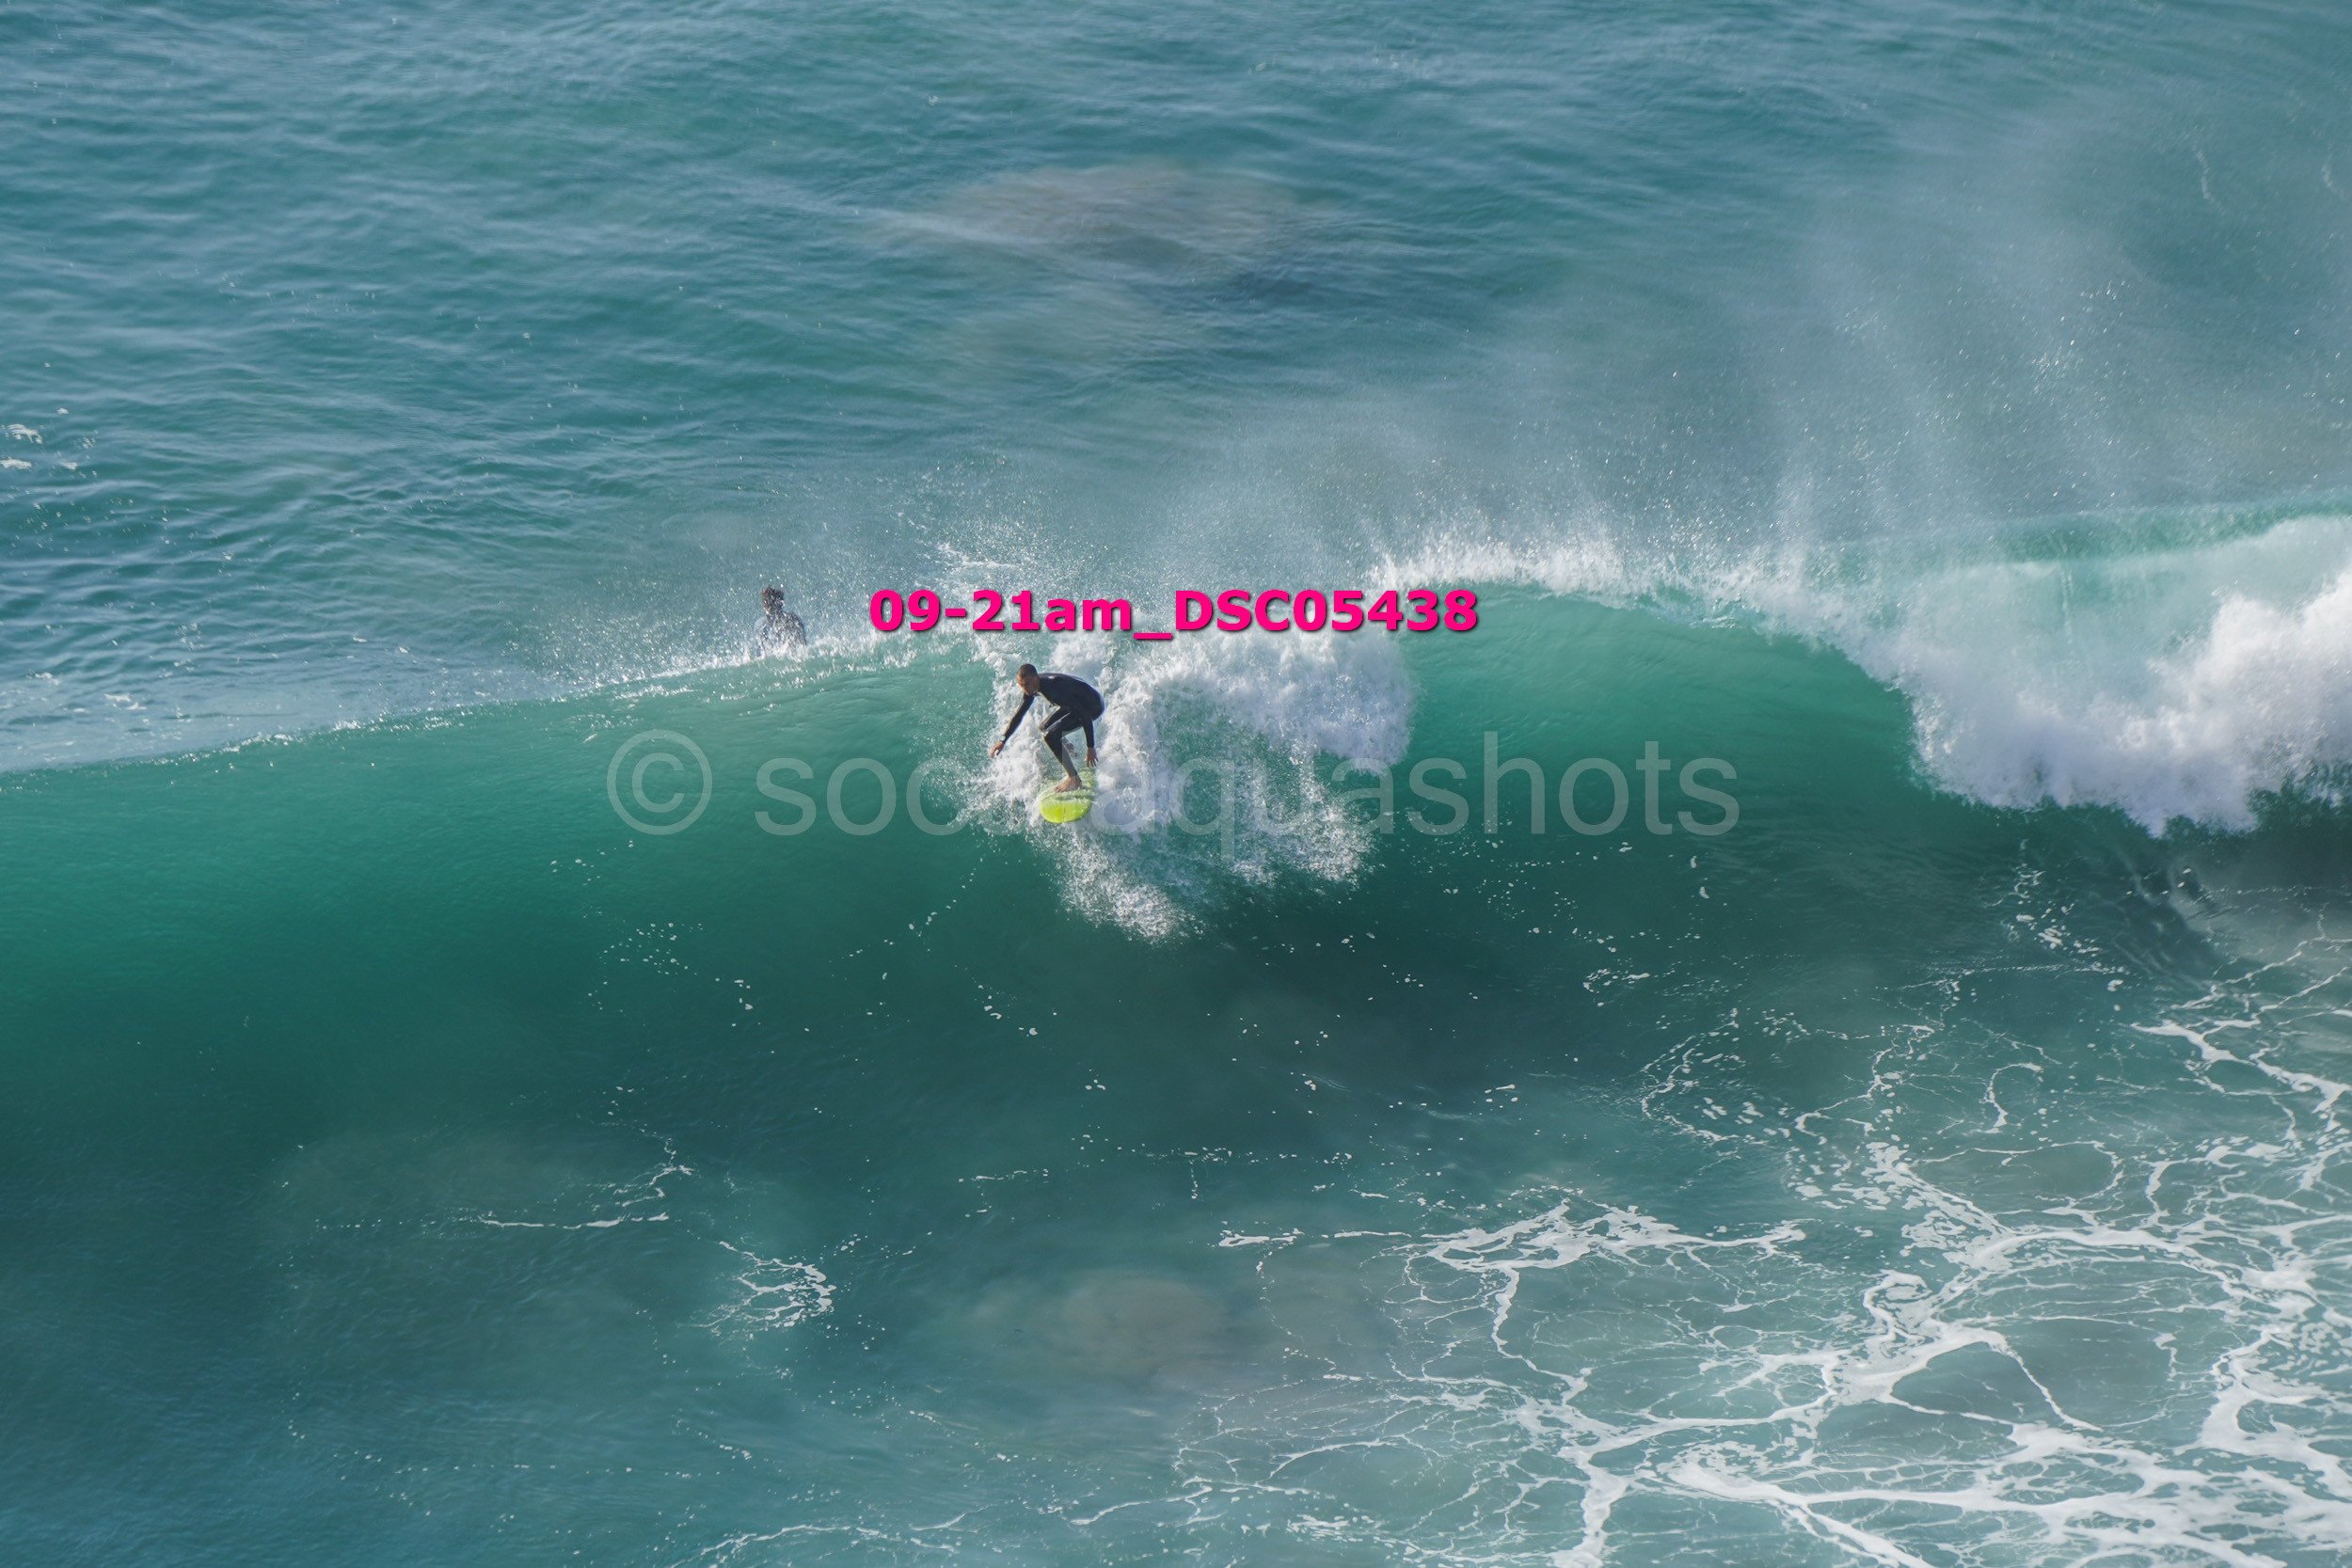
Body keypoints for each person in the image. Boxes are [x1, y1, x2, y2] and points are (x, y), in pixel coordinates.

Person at [991, 664, 1104, 793]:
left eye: (1026, 684)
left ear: (1035, 678)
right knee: (1044, 727)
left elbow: (1085, 716)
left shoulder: (1055, 689)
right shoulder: (1031, 687)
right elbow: (1018, 715)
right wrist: (1002, 740)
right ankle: (1069, 750)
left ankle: (1074, 779)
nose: (1024, 689)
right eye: (1021, 685)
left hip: (1092, 707)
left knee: (1050, 736)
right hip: (1076, 703)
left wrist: (1091, 747)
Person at [754, 585, 805, 653]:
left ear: (765, 605)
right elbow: (803, 646)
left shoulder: (759, 624)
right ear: (781, 603)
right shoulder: (793, 618)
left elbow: (761, 653)